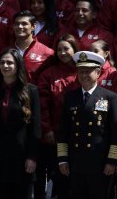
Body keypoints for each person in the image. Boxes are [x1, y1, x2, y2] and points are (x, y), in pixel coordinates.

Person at [57, 51, 117, 199]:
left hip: (100, 163)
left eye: (88, 71)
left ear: (98, 72)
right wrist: (63, 159)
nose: (84, 75)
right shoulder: (70, 97)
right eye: (80, 71)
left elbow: (116, 132)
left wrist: (112, 161)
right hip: (76, 163)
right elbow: (63, 131)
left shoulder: (110, 97)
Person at [0, 48, 41, 199]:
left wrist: (32, 157)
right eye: (2, 63)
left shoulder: (30, 91)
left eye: (10, 63)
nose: (5, 66)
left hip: (21, 157)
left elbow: (35, 128)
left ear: (18, 65)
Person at [36, 34, 80, 199]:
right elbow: (43, 104)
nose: (62, 53)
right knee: (61, 175)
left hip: (79, 135)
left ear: (75, 50)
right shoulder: (48, 74)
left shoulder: (82, 71)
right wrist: (46, 128)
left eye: (66, 49)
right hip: (56, 135)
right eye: (59, 49)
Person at [12, 10, 54, 84]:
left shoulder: (47, 53)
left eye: (24, 24)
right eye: (16, 24)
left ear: (33, 26)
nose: (19, 26)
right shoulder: (7, 52)